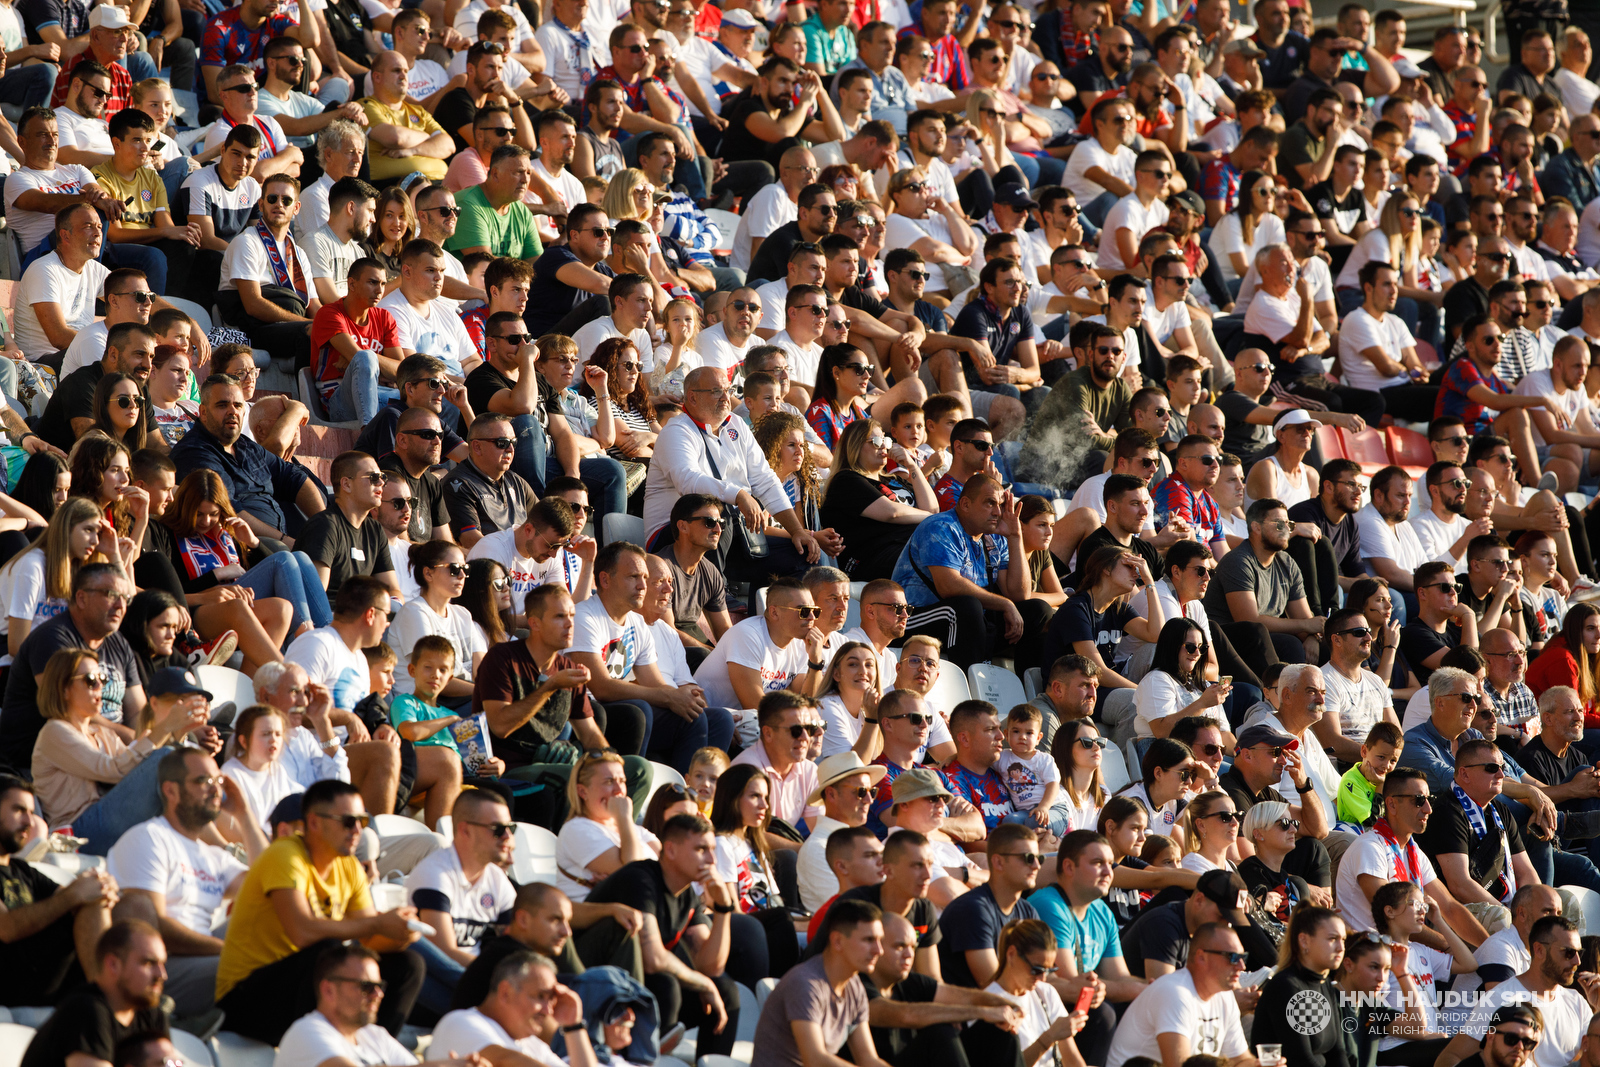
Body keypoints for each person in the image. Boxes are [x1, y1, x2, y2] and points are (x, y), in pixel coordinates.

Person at [214, 778, 426, 1045]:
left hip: (301, 985)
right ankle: (320, 1051)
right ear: (314, 822)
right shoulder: (285, 855)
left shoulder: (348, 866)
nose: (357, 830)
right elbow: (302, 932)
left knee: (408, 965)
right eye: (348, 821)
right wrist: (378, 924)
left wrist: (400, 933)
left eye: (362, 821)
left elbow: (371, 940)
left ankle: (372, 1050)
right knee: (327, 951)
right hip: (246, 999)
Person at [106, 745, 263, 1016]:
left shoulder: (214, 855)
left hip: (207, 956)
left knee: (277, 921)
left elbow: (271, 885)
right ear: (171, 791)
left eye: (218, 781)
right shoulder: (148, 838)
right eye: (203, 781)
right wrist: (230, 950)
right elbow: (154, 928)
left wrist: (244, 815)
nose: (216, 790)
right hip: (164, 967)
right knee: (258, 966)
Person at [582, 813, 739, 1059]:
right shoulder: (640, 879)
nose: (711, 859)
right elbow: (653, 958)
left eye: (712, 849)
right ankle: (639, 1056)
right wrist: (703, 982)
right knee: (667, 985)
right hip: (597, 985)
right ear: (671, 850)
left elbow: (711, 967)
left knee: (725, 991)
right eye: (701, 849)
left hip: (642, 988)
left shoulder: (687, 893)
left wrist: (723, 908)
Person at [473, 583, 651, 778]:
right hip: (508, 769)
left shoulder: (568, 668)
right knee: (571, 777)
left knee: (638, 769)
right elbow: (499, 726)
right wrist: (551, 686)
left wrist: (611, 763)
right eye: (559, 617)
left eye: (572, 616)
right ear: (534, 623)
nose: (569, 624)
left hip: (552, 765)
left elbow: (590, 734)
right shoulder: (502, 659)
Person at [1440, 915, 1600, 1067]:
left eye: (1580, 953)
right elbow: (1449, 1058)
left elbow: (1591, 1057)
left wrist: (1598, 1007)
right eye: (1568, 952)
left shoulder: (1577, 1001)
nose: (1577, 961)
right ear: (1539, 950)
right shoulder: (1500, 998)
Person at [16, 920, 170, 1067]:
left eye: (162, 964)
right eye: (148, 963)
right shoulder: (85, 1010)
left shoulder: (152, 1015)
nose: (162, 975)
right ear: (113, 964)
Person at [1103, 920, 1253, 1066]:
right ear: (1201, 957)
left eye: (1243, 957)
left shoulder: (1224, 996)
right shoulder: (1174, 993)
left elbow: (1239, 1060)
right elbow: (1178, 1064)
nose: (1241, 966)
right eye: (1232, 957)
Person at [274, 943, 449, 1067]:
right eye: (367, 986)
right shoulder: (306, 1032)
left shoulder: (375, 1035)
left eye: (380, 986)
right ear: (329, 990)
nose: (378, 994)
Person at [430, 950, 598, 1066]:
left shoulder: (534, 1046)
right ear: (505, 992)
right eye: (540, 996)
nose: (548, 1010)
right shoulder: (461, 1022)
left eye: (551, 1000)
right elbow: (505, 1061)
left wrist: (573, 1026)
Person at [819, 418, 937, 581]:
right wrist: (935, 519)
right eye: (875, 441)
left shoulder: (894, 480)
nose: (883, 446)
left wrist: (912, 466)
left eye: (886, 440)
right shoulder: (846, 480)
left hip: (907, 547)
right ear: (855, 446)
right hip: (873, 557)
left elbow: (932, 509)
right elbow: (891, 512)